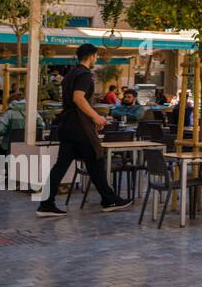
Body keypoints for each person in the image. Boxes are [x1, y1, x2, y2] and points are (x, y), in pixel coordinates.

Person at [36, 44, 132, 217]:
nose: (96, 59)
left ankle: (46, 203)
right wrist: (96, 117)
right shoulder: (85, 75)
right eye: (96, 56)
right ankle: (109, 199)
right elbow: (78, 98)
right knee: (96, 158)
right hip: (79, 127)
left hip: (67, 126)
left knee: (62, 165)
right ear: (92, 56)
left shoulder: (70, 74)